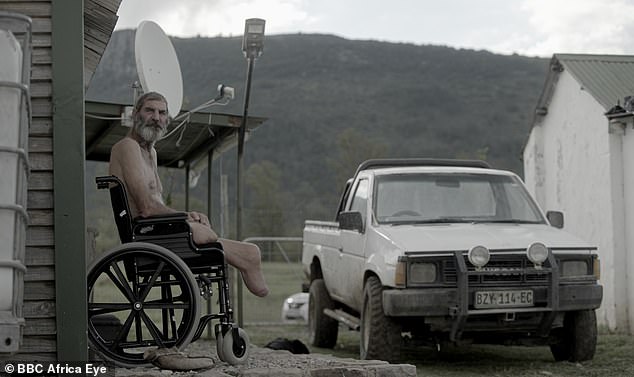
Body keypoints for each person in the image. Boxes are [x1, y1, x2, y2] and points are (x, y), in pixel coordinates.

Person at [109, 91, 269, 297]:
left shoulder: (151, 153)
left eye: (162, 113)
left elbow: (154, 204)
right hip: (145, 234)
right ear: (135, 115)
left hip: (156, 230)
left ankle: (248, 256)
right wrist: (185, 217)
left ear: (167, 119)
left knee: (203, 228)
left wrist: (188, 216)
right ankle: (248, 257)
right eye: (150, 110)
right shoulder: (126, 147)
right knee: (203, 233)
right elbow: (146, 207)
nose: (156, 117)